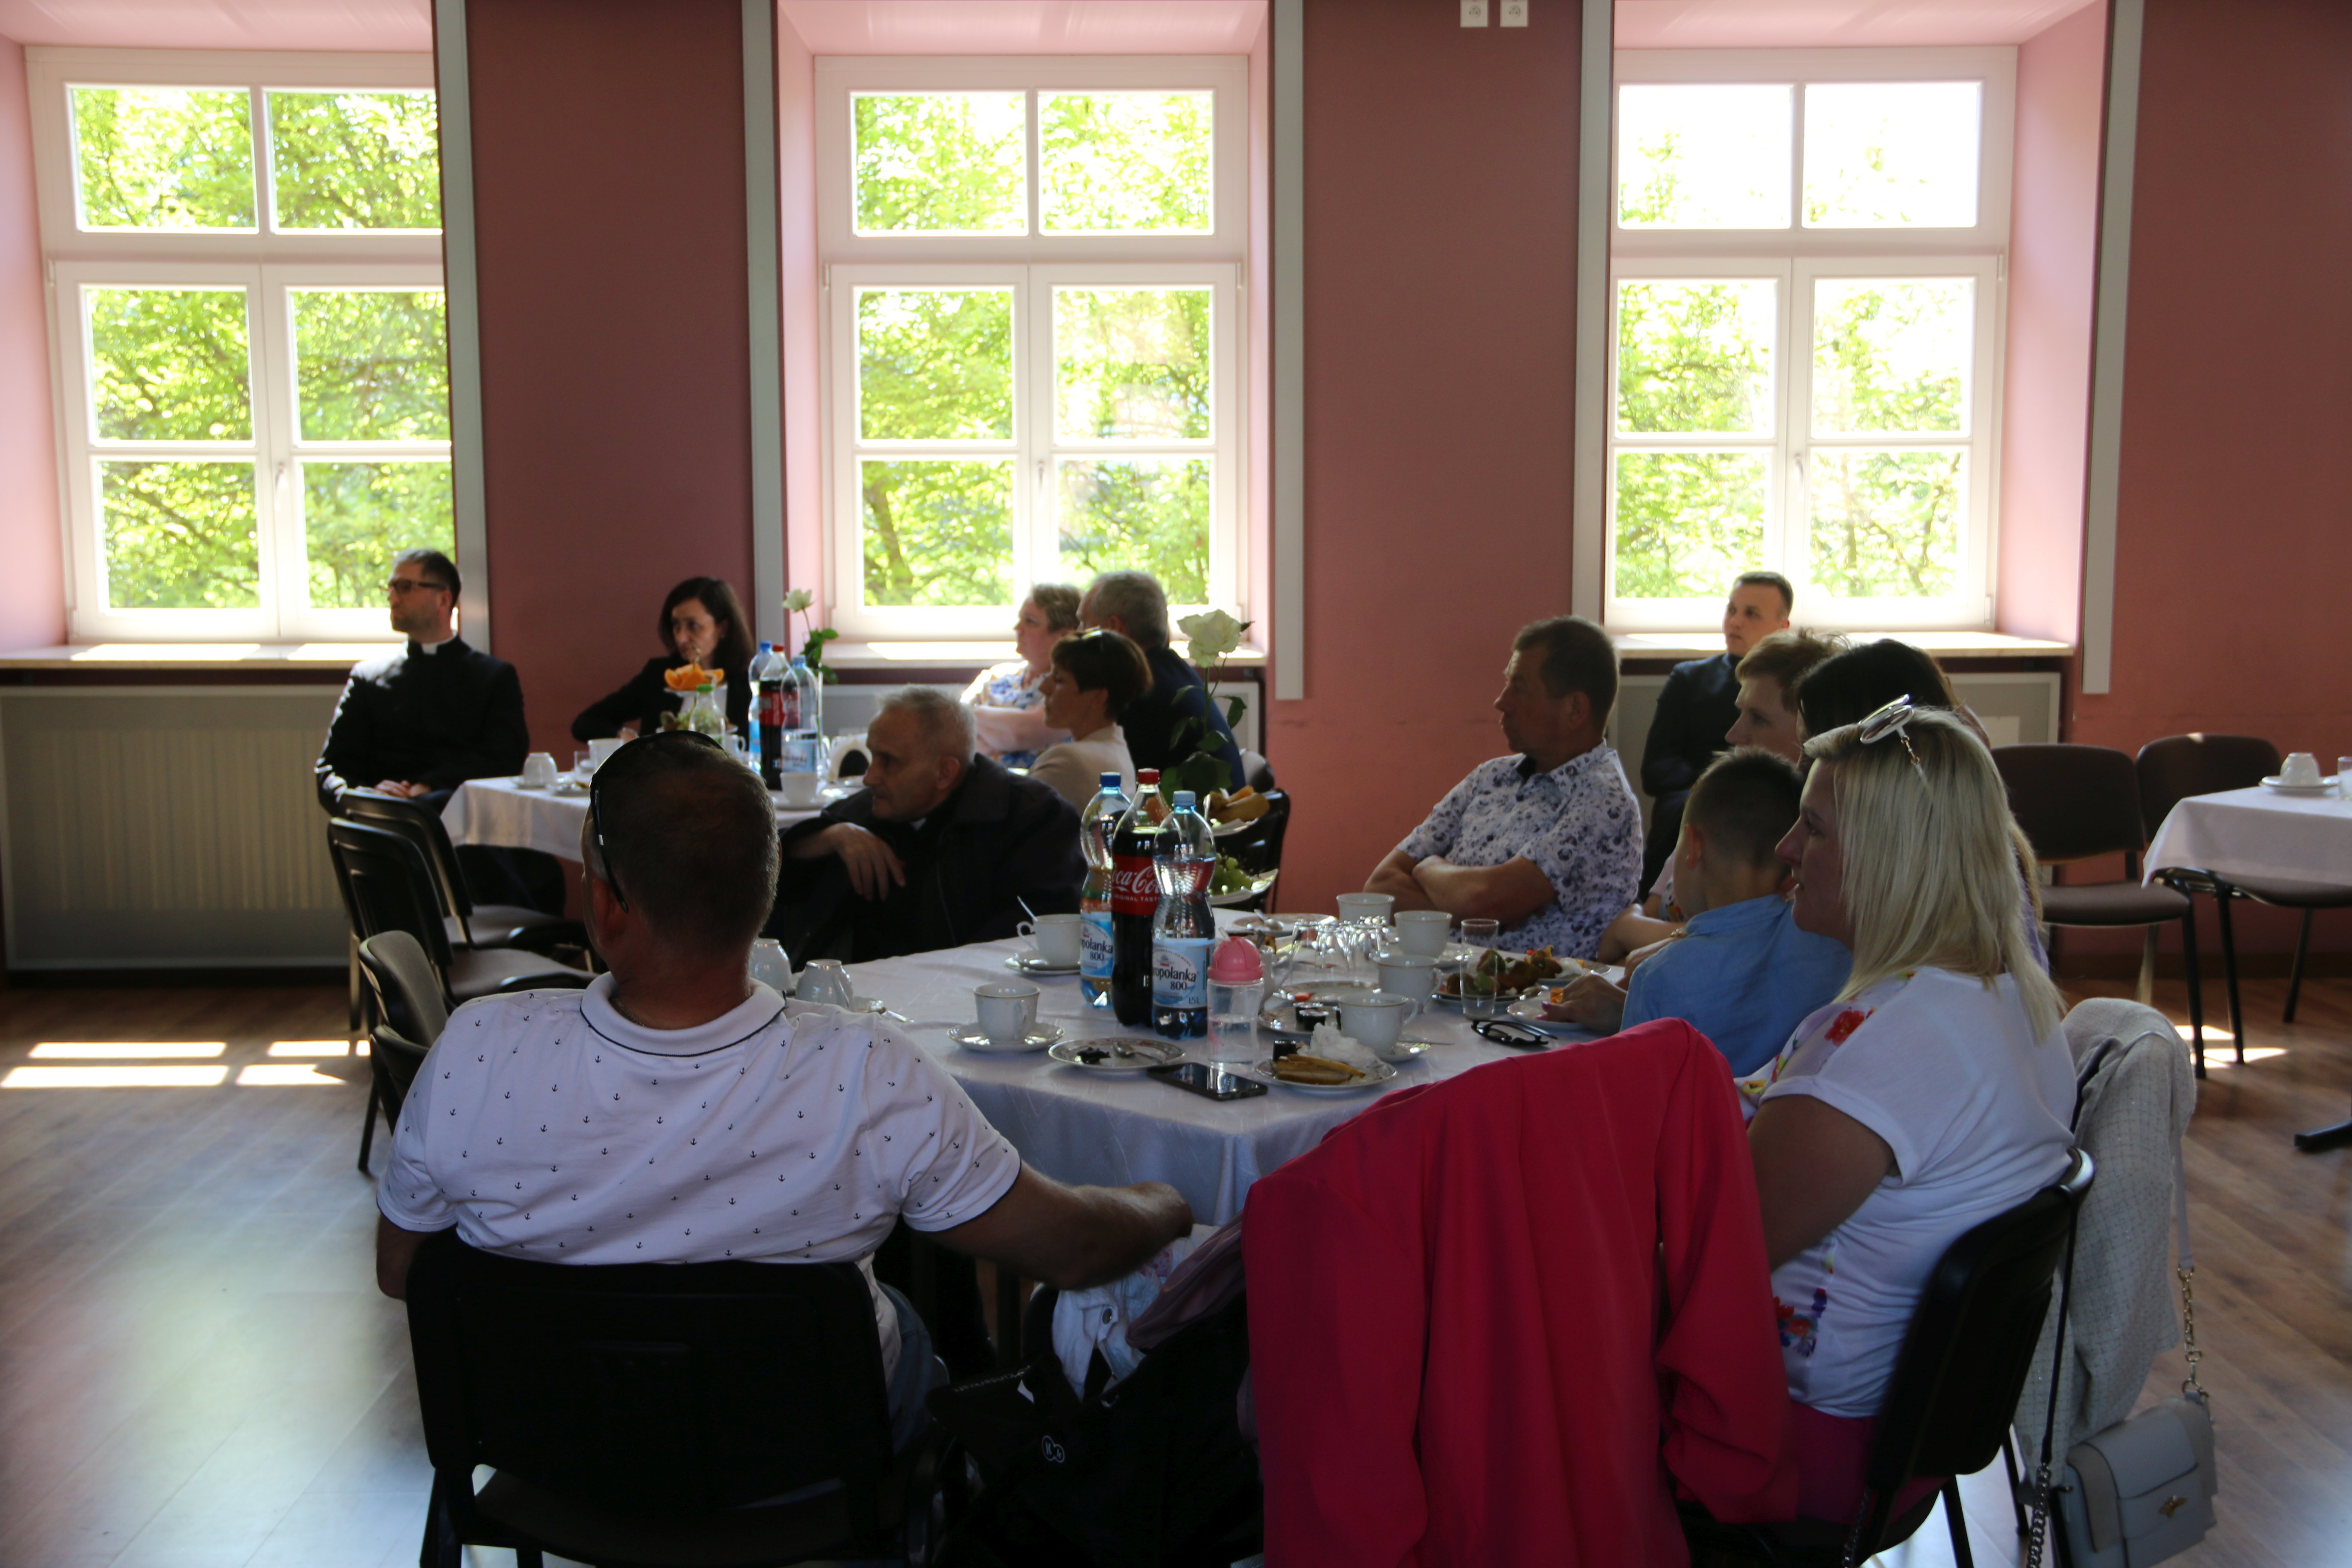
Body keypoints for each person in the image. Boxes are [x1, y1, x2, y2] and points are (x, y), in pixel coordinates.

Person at [373, 730, 1192, 1451]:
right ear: (762, 898)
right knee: (907, 1327)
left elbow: (405, 1270)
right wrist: (1165, 1205)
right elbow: (1072, 1248)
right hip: (810, 1463)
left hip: (549, 1448)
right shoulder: (867, 1070)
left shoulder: (475, 1048)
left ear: (607, 906)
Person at [1745, 701, 2073, 1521]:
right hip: (1899, 1448)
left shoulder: (1881, 1044)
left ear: (1891, 854)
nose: (1786, 848)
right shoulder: (2013, 998)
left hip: (1795, 1446)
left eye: (1813, 827)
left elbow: (1709, 1256)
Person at [1546, 748, 1850, 1076]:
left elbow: (1635, 1089)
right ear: (1791, 869)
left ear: (1693, 846)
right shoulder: (1832, 948)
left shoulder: (1658, 977)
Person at [1363, 616, 1642, 961]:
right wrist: (1471, 909)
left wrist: (1427, 868)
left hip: (1529, 990)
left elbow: (1485, 898)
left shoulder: (1603, 802)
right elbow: (1379, 888)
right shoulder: (1491, 776)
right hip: (1441, 975)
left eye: (1520, 688)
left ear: (1575, 709)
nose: (1501, 702)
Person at [314, 548, 556, 910]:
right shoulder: (367, 678)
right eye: (391, 587)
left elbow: (503, 758)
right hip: (387, 833)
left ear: (444, 599)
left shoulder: (493, 677)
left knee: (531, 867)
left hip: (469, 831)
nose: (392, 598)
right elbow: (330, 770)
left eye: (405, 587)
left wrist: (429, 786)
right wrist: (365, 795)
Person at [771, 688, 1085, 961]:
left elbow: (1045, 928)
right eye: (872, 757)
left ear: (944, 773)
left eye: (888, 761)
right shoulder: (864, 812)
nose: (870, 777)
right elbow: (762, 881)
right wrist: (829, 837)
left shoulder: (1033, 818)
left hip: (981, 992)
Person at [1600, 627, 1846, 962]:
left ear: (1808, 732)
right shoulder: (1719, 808)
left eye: (1758, 718)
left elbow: (1753, 944)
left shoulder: (1810, 846)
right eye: (1740, 712)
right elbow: (1651, 915)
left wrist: (1633, 931)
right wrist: (1637, 934)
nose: (1734, 734)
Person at [1639, 571, 1794, 889]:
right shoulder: (1688, 678)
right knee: (1687, 811)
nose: (1735, 622)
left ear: (1782, 627)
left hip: (1765, 802)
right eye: (1732, 610)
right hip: (1694, 798)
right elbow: (1656, 769)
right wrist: (1709, 789)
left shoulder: (1789, 691)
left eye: (1751, 614)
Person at [1078, 571, 1245, 793]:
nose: (1078, 635)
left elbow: (1103, 783)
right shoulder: (1173, 670)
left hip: (1191, 815)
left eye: (1084, 624)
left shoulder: (1135, 689)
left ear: (1114, 628)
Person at [570, 576, 755, 743]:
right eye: (676, 625)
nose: (681, 638)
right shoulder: (660, 675)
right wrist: (623, 737)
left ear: (723, 628)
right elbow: (585, 723)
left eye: (693, 626)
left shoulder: (749, 683)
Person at [961, 584, 1082, 769]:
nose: (1018, 628)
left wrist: (972, 715)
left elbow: (1021, 733)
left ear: (1064, 635)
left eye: (1030, 621)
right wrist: (1000, 738)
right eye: (1021, 619)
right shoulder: (994, 677)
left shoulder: (1076, 686)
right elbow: (953, 729)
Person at [1027, 628, 1149, 810]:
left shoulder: (1068, 760)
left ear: (1098, 698)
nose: (1044, 687)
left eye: (1059, 679)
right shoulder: (1117, 749)